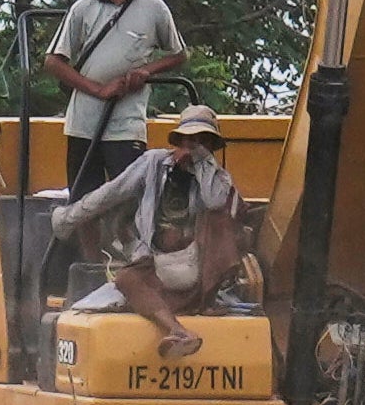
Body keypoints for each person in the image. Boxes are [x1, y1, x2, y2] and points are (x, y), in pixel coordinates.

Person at [51, 105, 247, 359]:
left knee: (221, 220)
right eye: (187, 140)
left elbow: (213, 201)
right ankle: (178, 331)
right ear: (178, 141)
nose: (191, 147)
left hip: (197, 271)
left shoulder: (218, 180)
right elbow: (111, 193)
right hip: (156, 266)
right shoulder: (155, 163)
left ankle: (205, 303)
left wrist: (201, 162)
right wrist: (67, 219)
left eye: (200, 142)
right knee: (125, 280)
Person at [44, 0, 186, 196]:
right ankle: (92, 242)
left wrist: (145, 71)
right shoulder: (83, 9)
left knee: (130, 199)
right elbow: (54, 61)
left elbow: (179, 54)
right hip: (83, 123)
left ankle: (128, 242)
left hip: (128, 124)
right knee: (83, 202)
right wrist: (98, 90)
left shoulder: (153, 7)